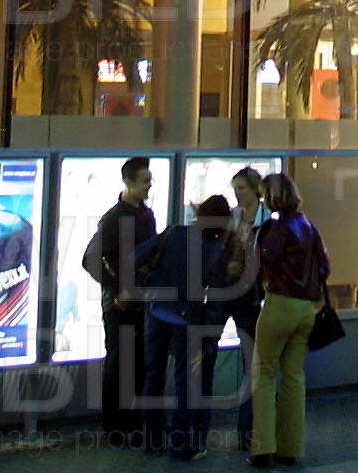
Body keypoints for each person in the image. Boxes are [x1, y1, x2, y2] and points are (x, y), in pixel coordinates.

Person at [148, 196, 242, 459]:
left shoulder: (174, 233)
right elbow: (216, 298)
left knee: (154, 374)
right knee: (187, 383)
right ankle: (182, 445)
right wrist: (210, 334)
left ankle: (152, 439)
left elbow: (136, 257)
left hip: (156, 311)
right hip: (187, 320)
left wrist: (149, 287)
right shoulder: (215, 251)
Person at [250, 172, 329, 469]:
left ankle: (263, 449)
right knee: (294, 376)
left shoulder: (277, 229)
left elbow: (264, 261)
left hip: (280, 304)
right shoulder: (308, 225)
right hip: (306, 309)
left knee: (264, 373)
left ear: (271, 198)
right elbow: (324, 266)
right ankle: (290, 448)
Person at [83, 157, 159, 439]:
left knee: (137, 361)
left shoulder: (144, 215)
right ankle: (116, 426)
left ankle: (132, 422)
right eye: (144, 181)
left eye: (149, 180)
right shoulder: (115, 219)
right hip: (121, 305)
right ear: (128, 182)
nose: (149, 185)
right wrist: (117, 290)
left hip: (138, 301)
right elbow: (90, 259)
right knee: (119, 362)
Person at [226, 166, 270, 451]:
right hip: (230, 290)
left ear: (255, 190)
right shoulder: (233, 217)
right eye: (235, 189)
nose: (237, 194)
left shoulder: (267, 222)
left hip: (251, 295)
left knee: (252, 361)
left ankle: (248, 428)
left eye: (241, 188)